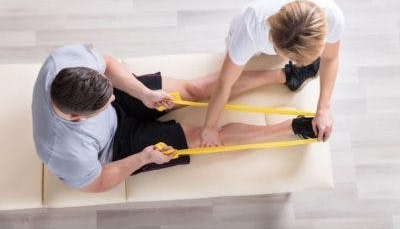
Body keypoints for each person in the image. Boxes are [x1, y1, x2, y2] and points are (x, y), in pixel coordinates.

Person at [32, 44, 316, 192]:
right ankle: (294, 126)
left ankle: (287, 75)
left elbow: (106, 63)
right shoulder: (64, 151)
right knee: (201, 137)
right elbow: (98, 183)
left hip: (125, 100)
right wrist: (143, 159)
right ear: (75, 117)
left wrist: (144, 93)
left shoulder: (65, 63)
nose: (113, 100)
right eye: (105, 103)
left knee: (194, 90)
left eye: (110, 95)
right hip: (116, 147)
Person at [200, 0, 345, 147]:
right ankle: (288, 74)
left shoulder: (332, 17)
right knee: (203, 88)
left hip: (281, 38)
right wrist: (209, 126)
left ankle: (290, 75)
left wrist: (324, 108)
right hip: (252, 35)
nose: (285, 59)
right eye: (280, 53)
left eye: (292, 59)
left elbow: (330, 58)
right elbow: (224, 83)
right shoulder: (249, 31)